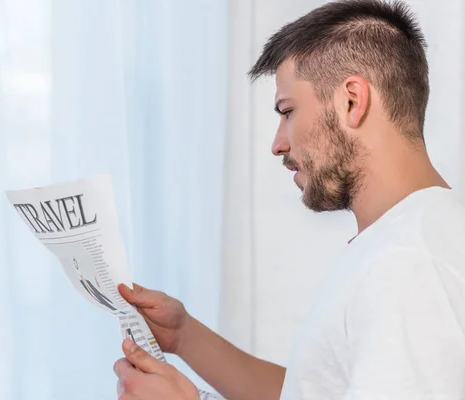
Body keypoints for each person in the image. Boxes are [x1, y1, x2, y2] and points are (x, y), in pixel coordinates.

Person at [113, 0, 465, 399]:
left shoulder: (406, 263)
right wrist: (185, 336)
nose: (278, 144)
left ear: (352, 101)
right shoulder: (408, 240)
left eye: (288, 111)